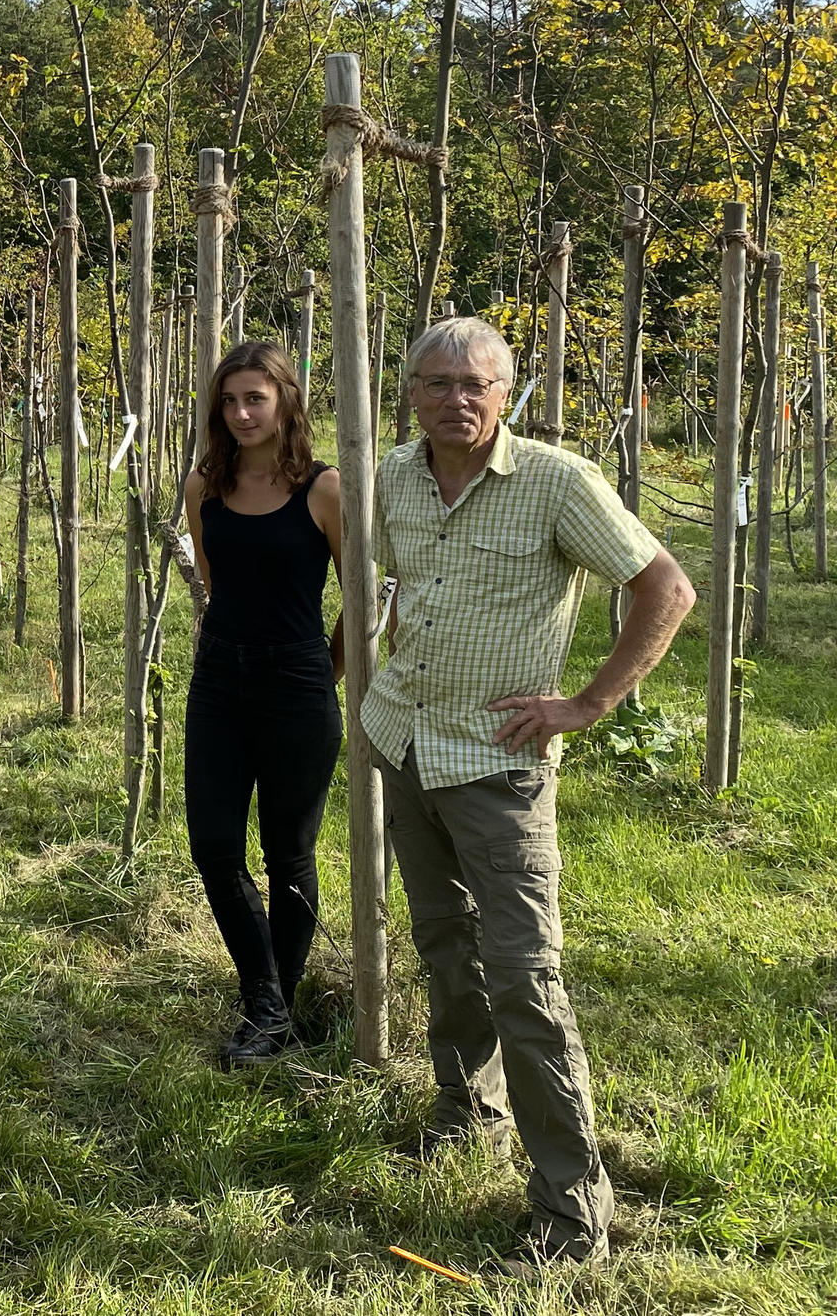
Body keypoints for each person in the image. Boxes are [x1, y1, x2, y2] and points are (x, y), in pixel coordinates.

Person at [366, 318, 694, 1272]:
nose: (456, 399)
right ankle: (469, 1112)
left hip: (498, 764)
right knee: (442, 941)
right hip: (404, 743)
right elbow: (383, 579)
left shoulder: (555, 481)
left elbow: (664, 585)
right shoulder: (391, 474)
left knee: (525, 975)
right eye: (436, 383)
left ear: (507, 393)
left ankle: (571, 1209)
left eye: (477, 384)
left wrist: (589, 702)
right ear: (410, 391)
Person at [181, 342, 346, 1067]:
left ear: (285, 400)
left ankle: (274, 1008)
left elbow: (368, 594)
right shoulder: (204, 487)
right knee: (215, 847)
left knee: (289, 854)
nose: (242, 412)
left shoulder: (323, 488)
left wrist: (325, 670)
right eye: (229, 400)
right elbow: (215, 580)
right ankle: (267, 999)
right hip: (218, 679)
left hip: (298, 682)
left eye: (256, 397)